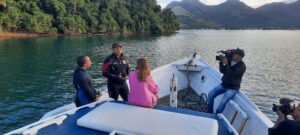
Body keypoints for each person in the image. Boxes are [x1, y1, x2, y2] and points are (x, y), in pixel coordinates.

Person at [208, 48, 246, 113]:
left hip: (233, 88)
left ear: (239, 56)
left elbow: (233, 74)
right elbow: (222, 71)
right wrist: (221, 62)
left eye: (235, 54)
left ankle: (216, 115)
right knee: (210, 95)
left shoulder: (242, 66)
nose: (233, 55)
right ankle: (210, 112)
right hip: (224, 85)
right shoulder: (230, 61)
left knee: (223, 101)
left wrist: (227, 64)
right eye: (233, 54)